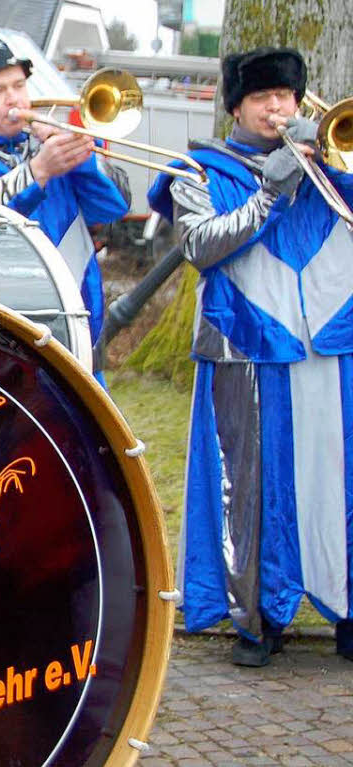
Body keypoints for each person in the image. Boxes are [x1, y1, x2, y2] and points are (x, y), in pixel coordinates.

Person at [147, 46, 353, 667]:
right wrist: (269, 193)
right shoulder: (198, 168)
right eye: (263, 98)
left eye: (286, 97)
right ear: (235, 105)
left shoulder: (332, 159)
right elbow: (200, 247)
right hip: (247, 345)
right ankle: (257, 618)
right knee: (250, 487)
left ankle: (347, 608)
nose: (277, 108)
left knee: (340, 478)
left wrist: (328, 167)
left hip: (331, 342)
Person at [0, 37, 131, 378]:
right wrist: (37, 172)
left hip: (76, 323)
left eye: (19, 85)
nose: (14, 98)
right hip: (2, 331)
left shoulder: (46, 143)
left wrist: (80, 156)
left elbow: (113, 207)